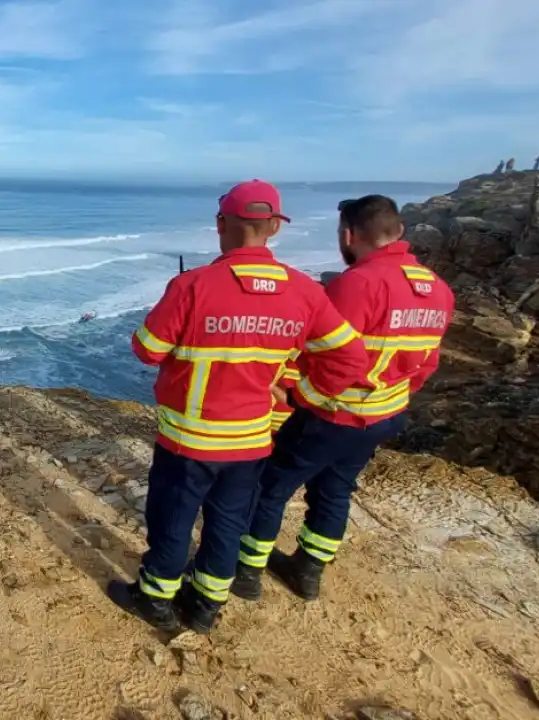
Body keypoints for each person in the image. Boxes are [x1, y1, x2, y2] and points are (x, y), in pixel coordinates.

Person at [107, 180, 369, 634]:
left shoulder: (193, 285)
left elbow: (147, 349)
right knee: (228, 523)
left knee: (173, 519)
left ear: (221, 225)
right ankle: (207, 605)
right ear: (273, 228)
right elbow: (350, 358)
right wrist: (304, 396)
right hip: (251, 439)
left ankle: (155, 598)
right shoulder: (305, 291)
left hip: (188, 440)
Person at [232, 195, 455, 603]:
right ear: (399, 231)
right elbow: (425, 365)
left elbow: (325, 353)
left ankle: (246, 570)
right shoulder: (438, 290)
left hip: (335, 414)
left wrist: (301, 396)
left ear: (349, 235)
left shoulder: (359, 284)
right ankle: (308, 570)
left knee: (270, 486)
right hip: (385, 415)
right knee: (335, 489)